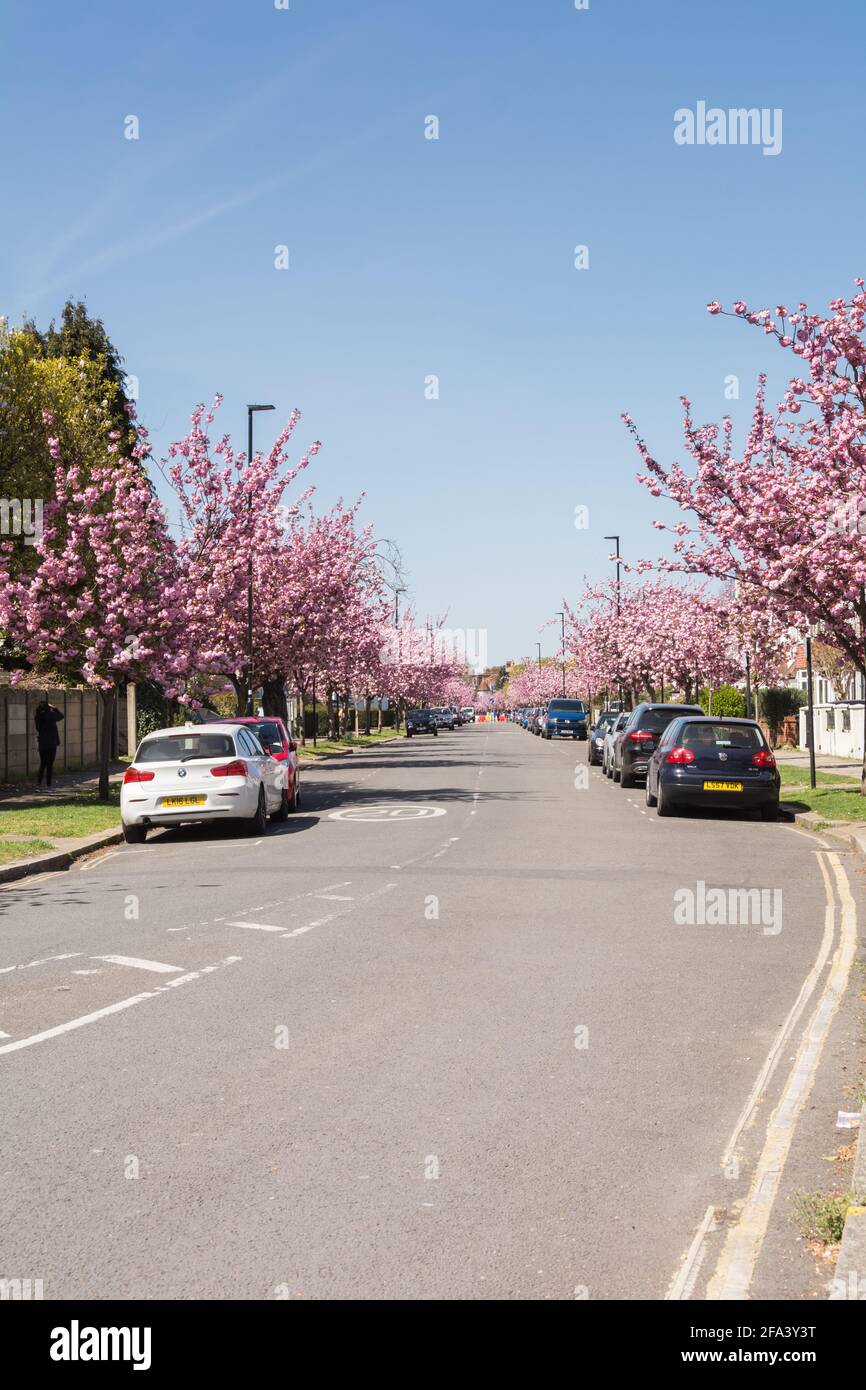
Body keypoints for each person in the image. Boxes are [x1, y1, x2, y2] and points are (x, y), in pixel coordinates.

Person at [34, 698, 64, 789]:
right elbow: (61, 716)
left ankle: (39, 783)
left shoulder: (38, 716)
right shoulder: (51, 715)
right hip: (51, 743)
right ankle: (48, 784)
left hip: (43, 743)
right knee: (50, 765)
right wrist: (54, 708)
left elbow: (38, 728)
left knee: (43, 764)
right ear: (48, 707)